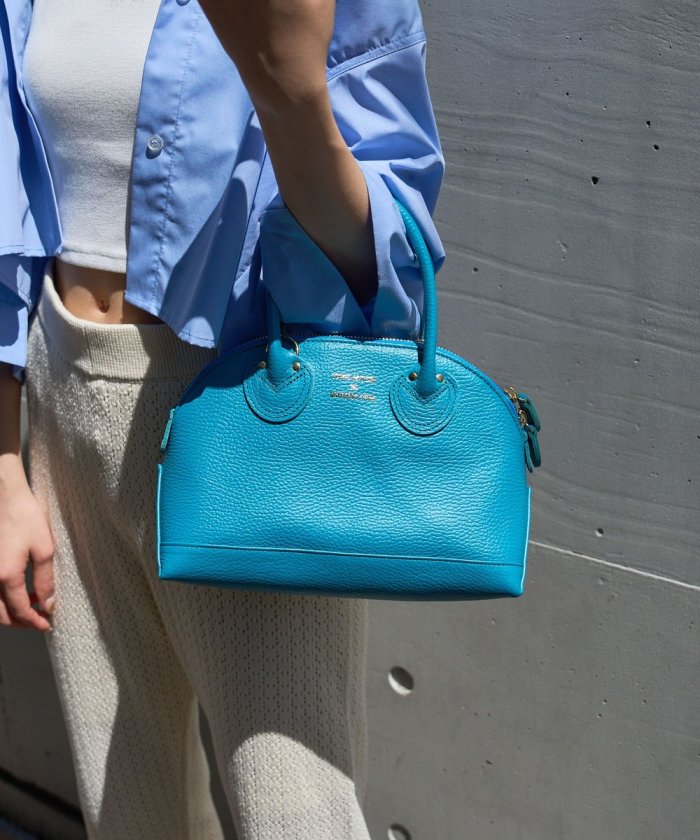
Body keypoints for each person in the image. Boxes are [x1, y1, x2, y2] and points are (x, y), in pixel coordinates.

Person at [0, 1, 445, 837]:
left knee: (297, 813)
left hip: (250, 417)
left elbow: (390, 268)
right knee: (128, 812)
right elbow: (5, 207)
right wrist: (0, 466)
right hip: (63, 396)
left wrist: (292, 95)